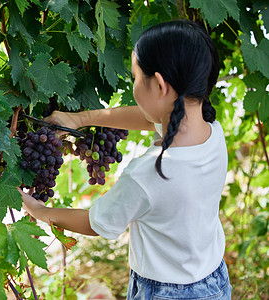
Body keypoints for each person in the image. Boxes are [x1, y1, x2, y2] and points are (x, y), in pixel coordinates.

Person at [17, 19, 233, 299]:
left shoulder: (150, 173)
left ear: (159, 85)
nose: (133, 83)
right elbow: (149, 117)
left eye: (134, 77)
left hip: (165, 292)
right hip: (213, 279)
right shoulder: (211, 131)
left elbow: (96, 223)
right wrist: (81, 119)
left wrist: (39, 210)